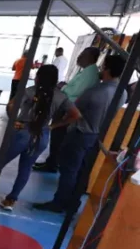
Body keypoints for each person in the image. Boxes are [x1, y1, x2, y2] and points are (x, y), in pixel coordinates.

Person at [0, 65, 80, 212]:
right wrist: (53, 125)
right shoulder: (61, 96)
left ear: (39, 77)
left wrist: (14, 120)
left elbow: (11, 105)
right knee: (26, 168)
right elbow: (76, 115)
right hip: (42, 135)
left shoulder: (30, 91)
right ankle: (11, 200)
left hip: (23, 131)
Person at [34, 54, 127, 213]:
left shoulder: (95, 91)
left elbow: (75, 112)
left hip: (80, 133)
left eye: (103, 66)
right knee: (83, 171)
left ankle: (59, 203)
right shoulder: (122, 93)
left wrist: (56, 124)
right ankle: (73, 203)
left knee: (69, 170)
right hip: (98, 136)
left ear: (107, 69)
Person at [35, 47, 101, 173]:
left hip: (69, 107)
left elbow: (76, 91)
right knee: (57, 137)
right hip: (67, 105)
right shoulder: (85, 71)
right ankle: (52, 162)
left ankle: (53, 164)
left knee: (58, 136)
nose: (79, 57)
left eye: (82, 54)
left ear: (90, 57)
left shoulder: (89, 73)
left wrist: (63, 86)